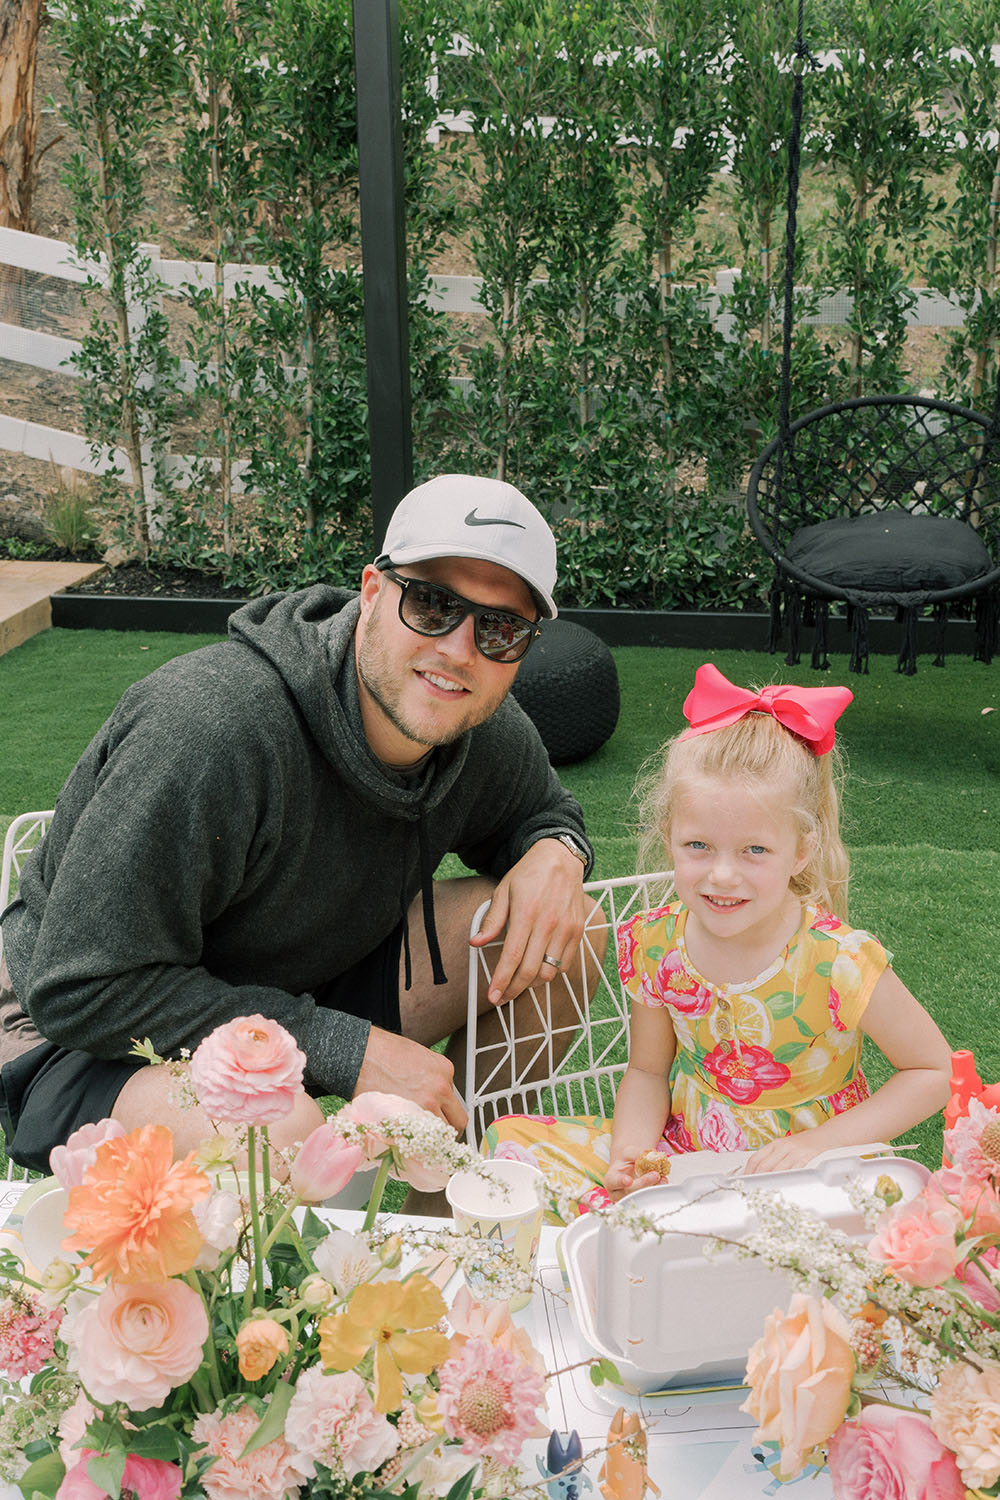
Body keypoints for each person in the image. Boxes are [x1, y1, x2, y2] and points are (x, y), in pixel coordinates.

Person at [0, 474, 597, 1180]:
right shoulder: (210, 728)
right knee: (276, 1127)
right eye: (433, 604)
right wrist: (349, 1049)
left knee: (568, 937)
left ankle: (441, 1220)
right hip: (86, 1029)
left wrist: (558, 853)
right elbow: (82, 986)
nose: (461, 650)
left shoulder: (480, 726)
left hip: (308, 975)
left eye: (500, 629)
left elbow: (545, 813)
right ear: (373, 592)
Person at [484, 663, 952, 1215]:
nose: (721, 876)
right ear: (669, 837)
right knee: (509, 1144)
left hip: (808, 1178)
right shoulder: (657, 944)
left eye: (754, 850)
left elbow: (933, 1071)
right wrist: (634, 1156)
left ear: (800, 851)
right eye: (698, 846)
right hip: (688, 1159)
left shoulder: (838, 960)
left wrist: (814, 1146)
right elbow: (647, 1070)